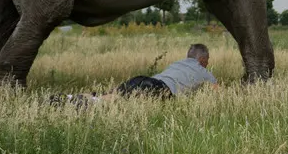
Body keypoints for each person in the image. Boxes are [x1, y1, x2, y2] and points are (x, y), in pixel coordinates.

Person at [48, 43, 217, 108]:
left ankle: (66, 98)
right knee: (111, 103)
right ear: (202, 59)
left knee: (106, 96)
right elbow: (218, 93)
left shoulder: (177, 63)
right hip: (157, 88)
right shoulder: (203, 71)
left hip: (144, 79)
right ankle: (78, 103)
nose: (207, 63)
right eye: (207, 60)